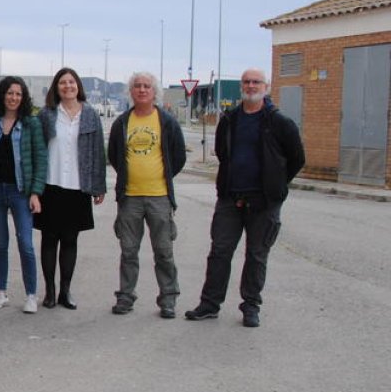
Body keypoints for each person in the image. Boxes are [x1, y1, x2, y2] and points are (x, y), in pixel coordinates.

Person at [185, 68, 304, 328]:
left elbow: (297, 158)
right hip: (230, 198)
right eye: (246, 82)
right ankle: (210, 304)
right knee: (219, 252)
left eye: (256, 82)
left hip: (264, 202)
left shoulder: (279, 122)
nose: (251, 86)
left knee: (256, 255)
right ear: (242, 86)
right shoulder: (230, 119)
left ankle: (251, 306)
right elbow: (222, 152)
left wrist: (275, 185)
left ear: (266, 86)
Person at [107, 72, 187, 318]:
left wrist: (160, 177)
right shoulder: (122, 122)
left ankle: (168, 299)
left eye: (147, 86)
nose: (142, 90)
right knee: (128, 251)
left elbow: (179, 156)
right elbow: (114, 155)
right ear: (131, 91)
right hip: (130, 197)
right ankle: (126, 296)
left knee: (163, 251)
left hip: (159, 197)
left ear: (154, 92)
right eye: (137, 86)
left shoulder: (166, 121)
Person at [35, 68, 106, 310]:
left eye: (71, 82)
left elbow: (98, 151)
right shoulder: (46, 115)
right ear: (57, 87)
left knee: (70, 239)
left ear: (78, 86)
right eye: (62, 83)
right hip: (50, 185)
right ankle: (50, 292)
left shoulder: (90, 115)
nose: (68, 86)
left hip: (78, 186)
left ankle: (65, 290)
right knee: (49, 238)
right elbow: (37, 150)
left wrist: (99, 186)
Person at [0, 76, 47, 314]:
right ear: (2, 95)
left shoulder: (31, 124)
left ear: (24, 98)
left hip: (21, 191)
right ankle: (1, 292)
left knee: (26, 244)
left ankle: (31, 294)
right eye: (10, 93)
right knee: (0, 243)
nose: (13, 98)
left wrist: (36, 193)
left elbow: (41, 160)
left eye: (18, 94)